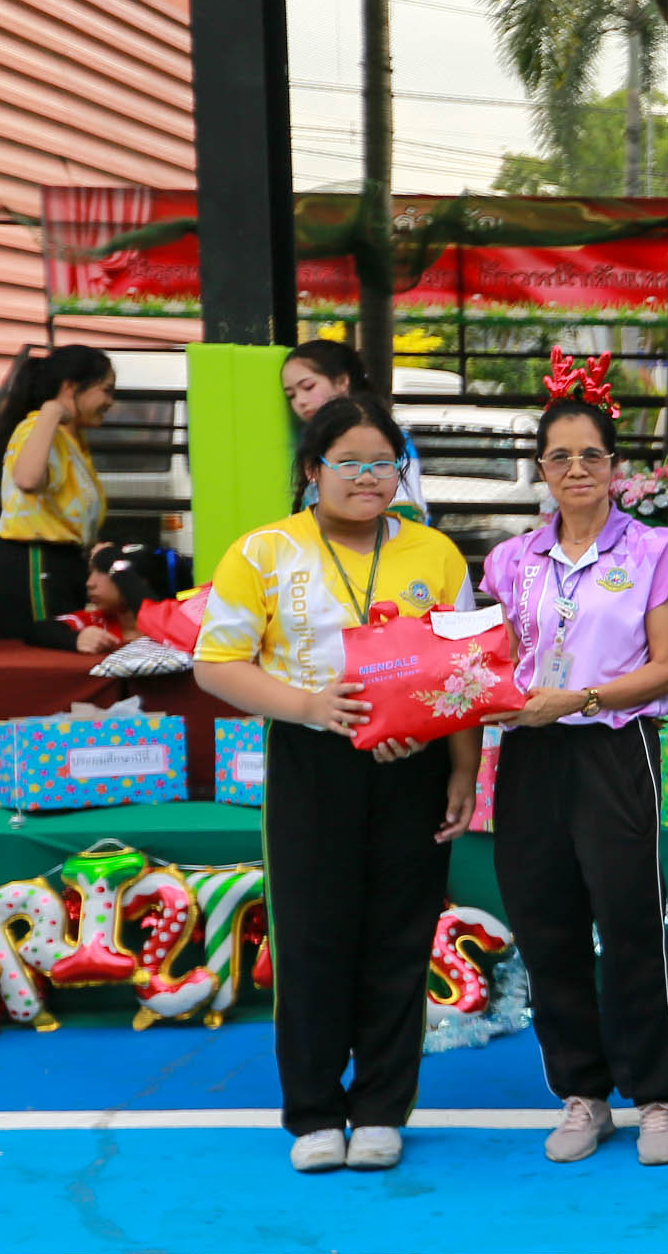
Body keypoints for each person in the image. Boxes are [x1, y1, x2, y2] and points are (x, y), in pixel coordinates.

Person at [192, 394, 478, 1173]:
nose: (367, 476)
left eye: (384, 462)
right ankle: (315, 1112)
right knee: (314, 937)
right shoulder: (262, 552)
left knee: (400, 935)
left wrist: (461, 766)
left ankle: (382, 1108)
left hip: (415, 760)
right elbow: (216, 664)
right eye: (348, 462)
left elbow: (464, 669)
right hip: (313, 760)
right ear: (312, 470)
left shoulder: (435, 554)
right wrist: (311, 707)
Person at [481, 385, 668, 1168]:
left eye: (591, 455)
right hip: (529, 752)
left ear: (615, 466)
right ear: (541, 468)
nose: (577, 468)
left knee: (631, 922)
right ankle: (583, 1093)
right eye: (561, 456)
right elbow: (490, 661)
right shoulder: (510, 560)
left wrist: (582, 698)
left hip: (614, 744)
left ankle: (660, 1097)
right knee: (547, 926)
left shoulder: (652, 550)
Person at [0, 344, 114, 639]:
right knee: (44, 648)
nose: (110, 402)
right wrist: (51, 411)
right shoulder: (38, 428)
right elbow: (27, 479)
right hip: (36, 562)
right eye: (106, 390)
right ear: (70, 387)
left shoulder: (72, 441)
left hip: (63, 565)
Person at [281, 337, 428, 521]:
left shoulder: (388, 437)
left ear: (342, 382)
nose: (300, 401)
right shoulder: (306, 441)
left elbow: (408, 512)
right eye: (291, 395)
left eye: (308, 387)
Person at [27, 541, 161, 654]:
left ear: (139, 581)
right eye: (90, 573)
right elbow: (37, 630)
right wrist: (76, 638)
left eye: (103, 571)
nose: (89, 583)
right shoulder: (95, 622)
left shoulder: (168, 625)